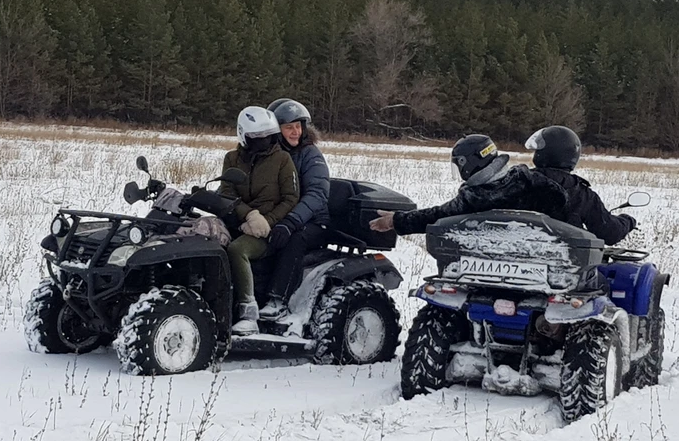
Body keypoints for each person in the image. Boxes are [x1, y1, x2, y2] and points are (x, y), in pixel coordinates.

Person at [370, 134, 567, 235]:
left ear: (469, 163)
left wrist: (396, 220)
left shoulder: (475, 198)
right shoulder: (531, 181)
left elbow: (436, 216)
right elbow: (561, 200)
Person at [220, 106, 300, 334]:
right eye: (257, 137)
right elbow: (226, 192)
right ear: (245, 136)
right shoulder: (232, 158)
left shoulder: (282, 160)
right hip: (238, 221)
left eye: (268, 135)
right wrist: (247, 215)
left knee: (237, 250)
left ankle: (249, 312)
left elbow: (291, 197)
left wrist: (268, 221)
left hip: (269, 230)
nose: (263, 140)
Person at [257, 99, 331, 321]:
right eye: (289, 127)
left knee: (293, 239)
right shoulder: (269, 154)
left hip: (314, 221)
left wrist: (290, 222)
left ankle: (278, 298)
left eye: (299, 126)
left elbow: (318, 194)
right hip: (281, 215)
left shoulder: (310, 155)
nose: (295, 132)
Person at [527, 125, 636, 245]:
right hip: (564, 259)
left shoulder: (516, 180)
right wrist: (627, 221)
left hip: (509, 253)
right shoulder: (581, 193)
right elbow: (609, 232)